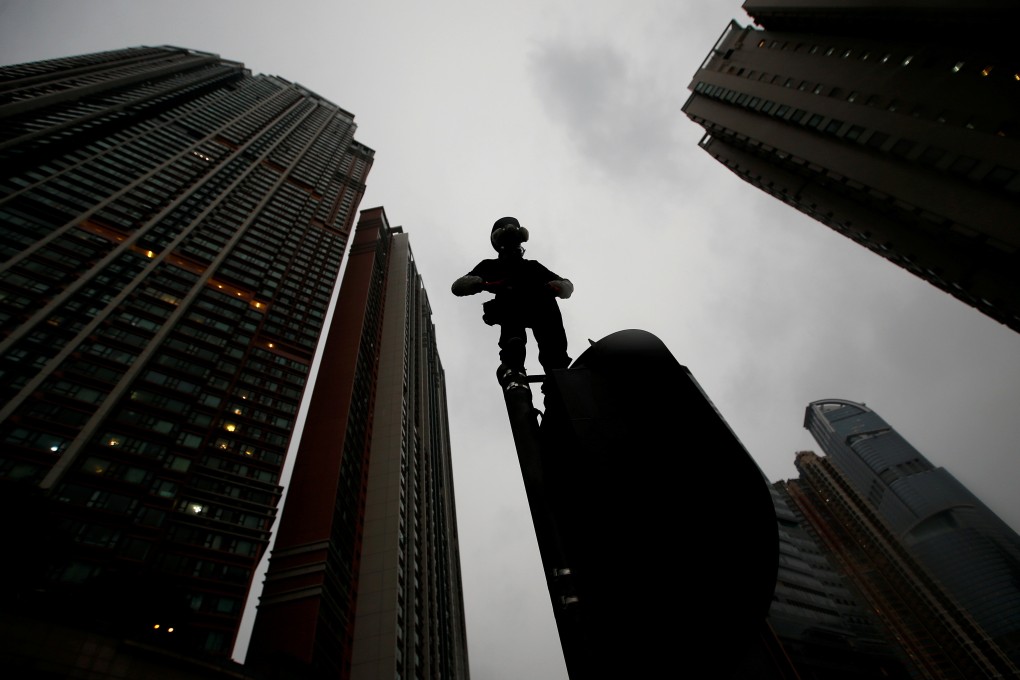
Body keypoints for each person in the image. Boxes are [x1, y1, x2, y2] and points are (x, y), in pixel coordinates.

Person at [452, 216, 573, 388]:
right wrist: (479, 283)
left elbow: (566, 284)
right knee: (513, 335)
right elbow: (458, 286)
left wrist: (558, 287)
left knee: (552, 337)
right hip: (511, 309)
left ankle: (557, 370)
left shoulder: (533, 267)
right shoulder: (490, 266)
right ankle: (516, 364)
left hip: (541, 308)